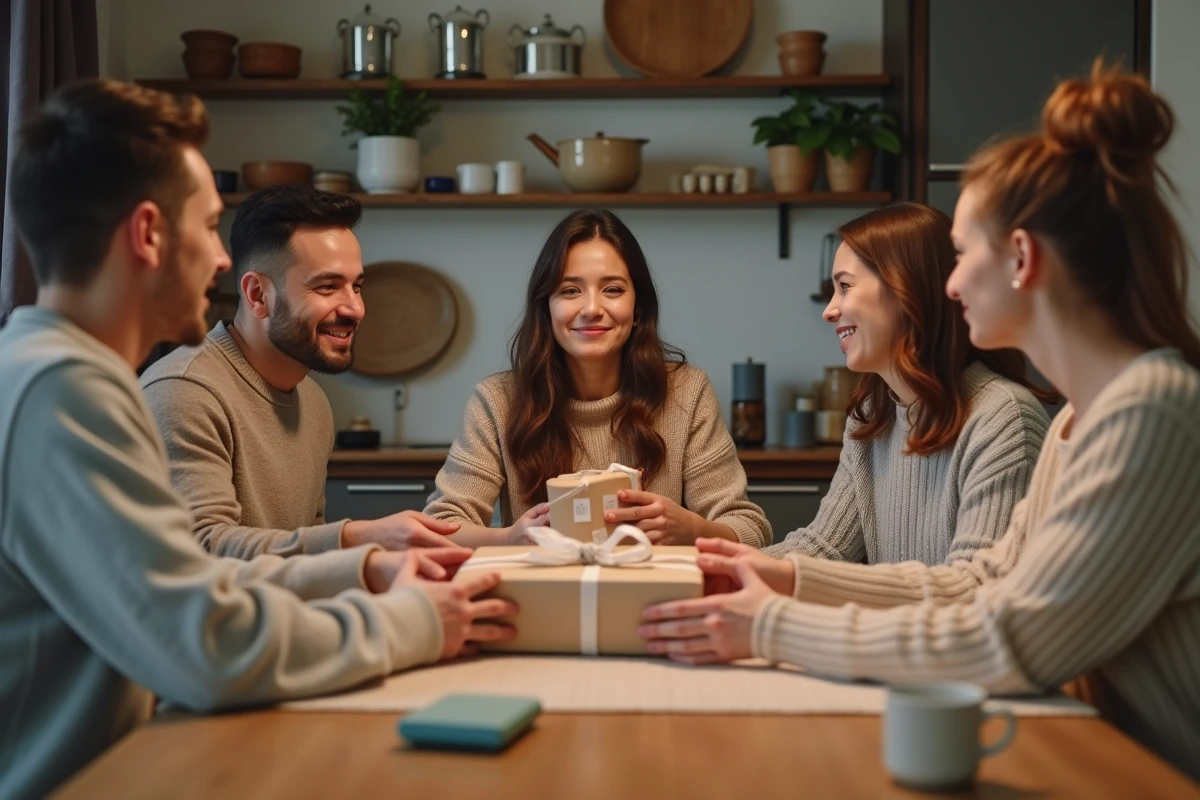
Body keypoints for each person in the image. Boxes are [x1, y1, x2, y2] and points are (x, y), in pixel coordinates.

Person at [639, 63, 1200, 779]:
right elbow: (993, 579)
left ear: (1022, 259)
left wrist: (775, 624)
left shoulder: (1149, 412)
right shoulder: (1079, 423)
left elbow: (1011, 638)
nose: (953, 282)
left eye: (963, 255)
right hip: (1112, 758)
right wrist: (776, 576)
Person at [0, 79, 512, 800]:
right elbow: (205, 644)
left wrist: (359, 570)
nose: (219, 259)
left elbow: (192, 582)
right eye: (208, 226)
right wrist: (411, 623)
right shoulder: (62, 393)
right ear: (148, 234)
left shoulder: (61, 376)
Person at [141, 185, 461, 559]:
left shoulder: (313, 402)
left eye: (356, 287)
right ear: (258, 295)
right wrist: (354, 539)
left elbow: (304, 560)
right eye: (327, 286)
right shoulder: (184, 391)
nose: (355, 308)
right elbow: (201, 551)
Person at [425, 209, 771, 548]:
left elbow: (750, 527)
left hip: (657, 601)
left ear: (638, 310)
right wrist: (510, 538)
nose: (591, 308)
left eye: (613, 290)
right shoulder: (497, 401)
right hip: (541, 602)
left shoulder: (687, 391)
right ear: (546, 308)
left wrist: (692, 528)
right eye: (571, 291)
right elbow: (440, 526)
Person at [766, 202, 1051, 566]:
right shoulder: (873, 416)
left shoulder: (1003, 418)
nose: (829, 311)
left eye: (845, 287)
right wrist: (717, 568)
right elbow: (824, 547)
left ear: (906, 290)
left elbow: (973, 592)